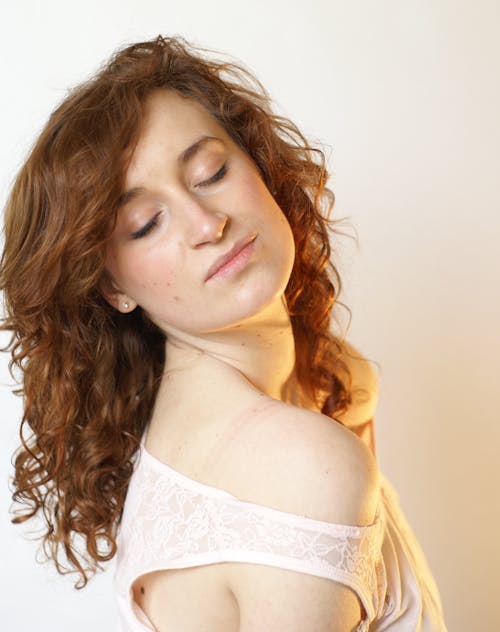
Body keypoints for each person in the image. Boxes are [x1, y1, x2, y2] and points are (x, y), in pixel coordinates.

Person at [0, 35, 447, 631]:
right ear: (113, 288)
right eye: (146, 223)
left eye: (211, 172)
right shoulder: (301, 464)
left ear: (259, 164)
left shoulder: (325, 390)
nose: (208, 224)